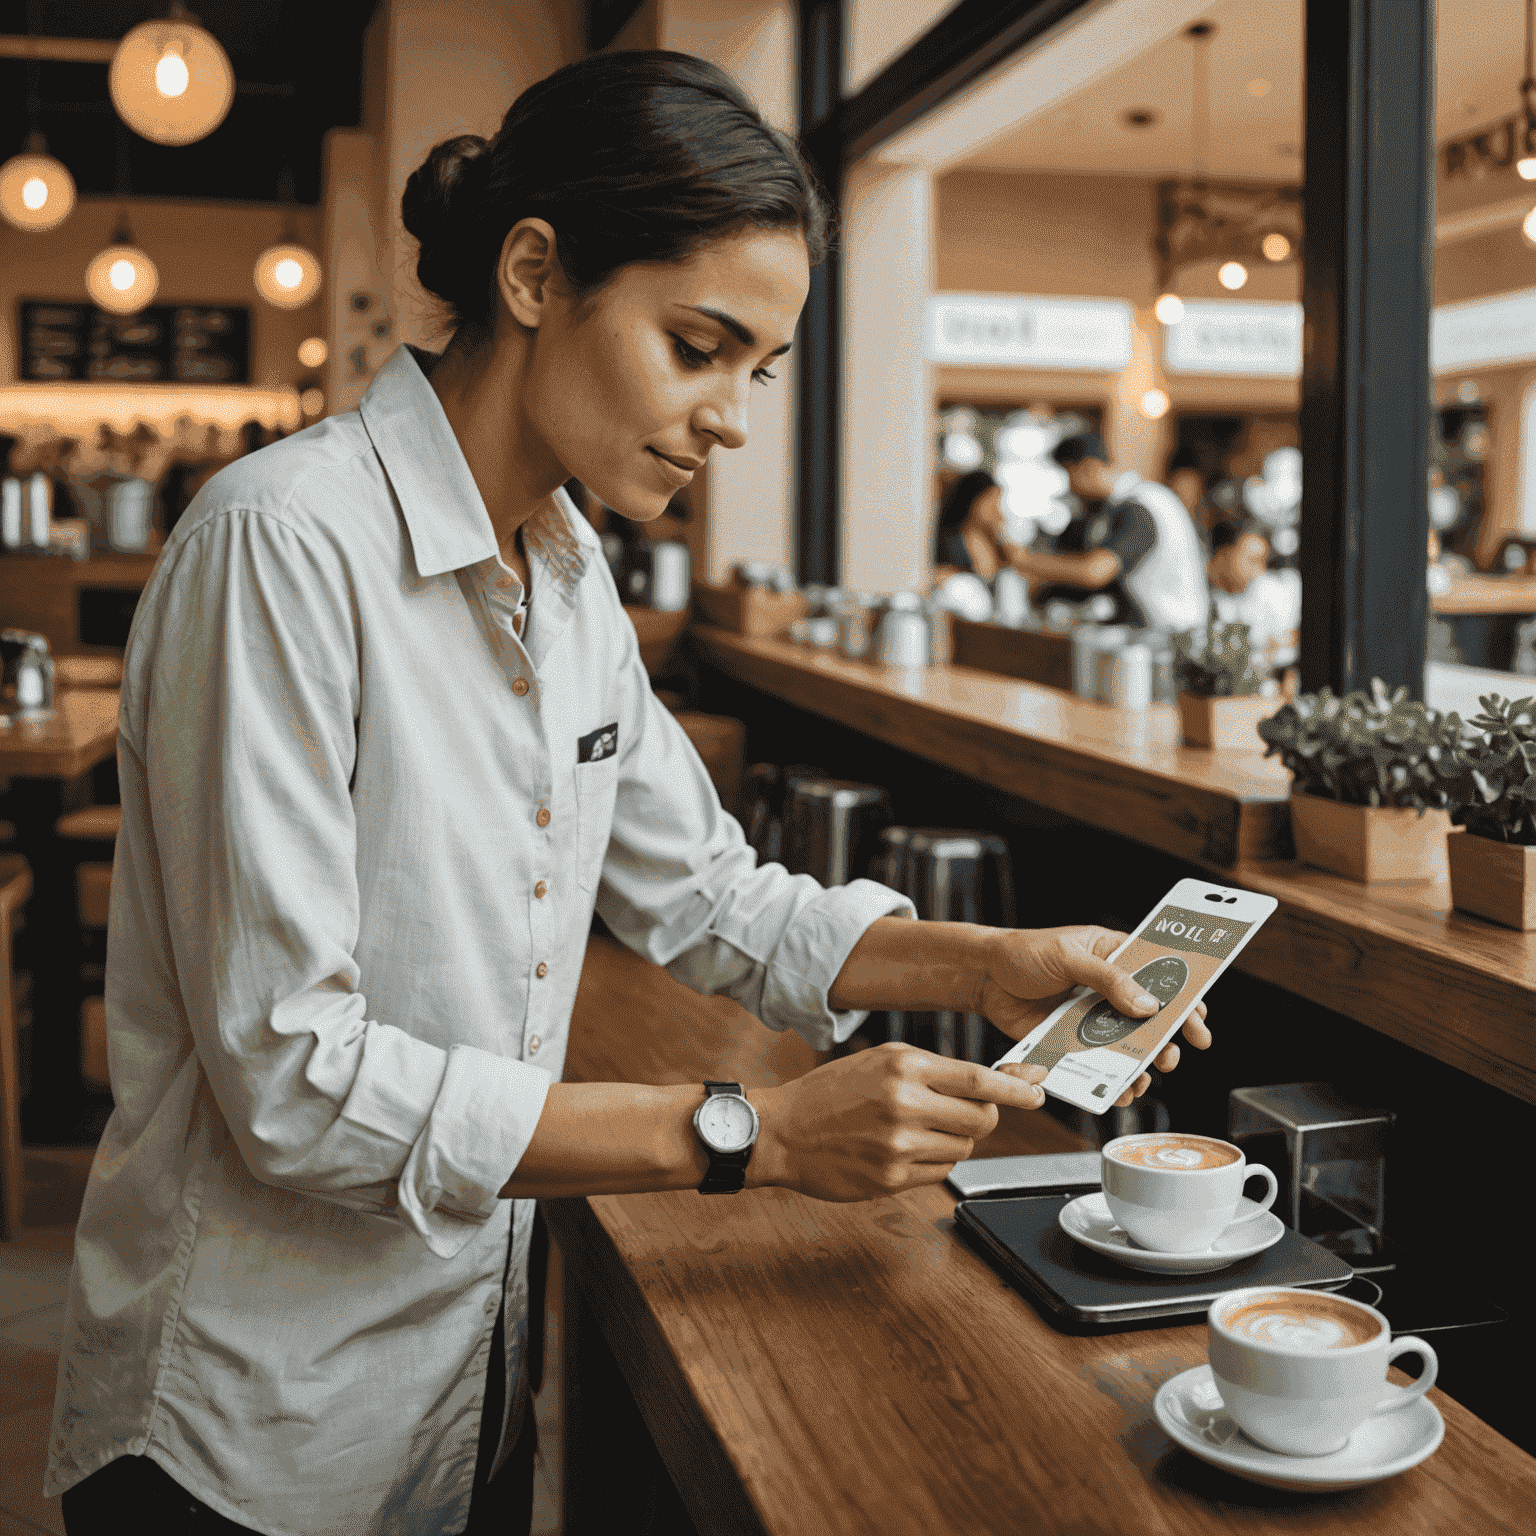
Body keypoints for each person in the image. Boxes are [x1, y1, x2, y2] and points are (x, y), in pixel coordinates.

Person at [48, 52, 1211, 1536]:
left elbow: (709, 895)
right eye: (700, 344)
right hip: (247, 1422)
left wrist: (986, 964)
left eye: (761, 370)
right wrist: (753, 1136)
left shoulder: (569, 574)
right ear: (535, 273)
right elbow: (295, 1078)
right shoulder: (282, 547)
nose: (733, 416)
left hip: (461, 1384)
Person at [1010, 432, 1208, 632]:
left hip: (1176, 636)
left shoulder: (1140, 506)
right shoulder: (1128, 503)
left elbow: (1095, 572)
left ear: (1088, 468)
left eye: (1070, 476)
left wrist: (1024, 561)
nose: (1070, 489)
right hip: (1167, 632)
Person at [1207, 517, 1300, 667]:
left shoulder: (1269, 589)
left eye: (1263, 562)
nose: (1259, 571)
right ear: (1226, 552)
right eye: (1252, 560)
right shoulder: (1206, 594)